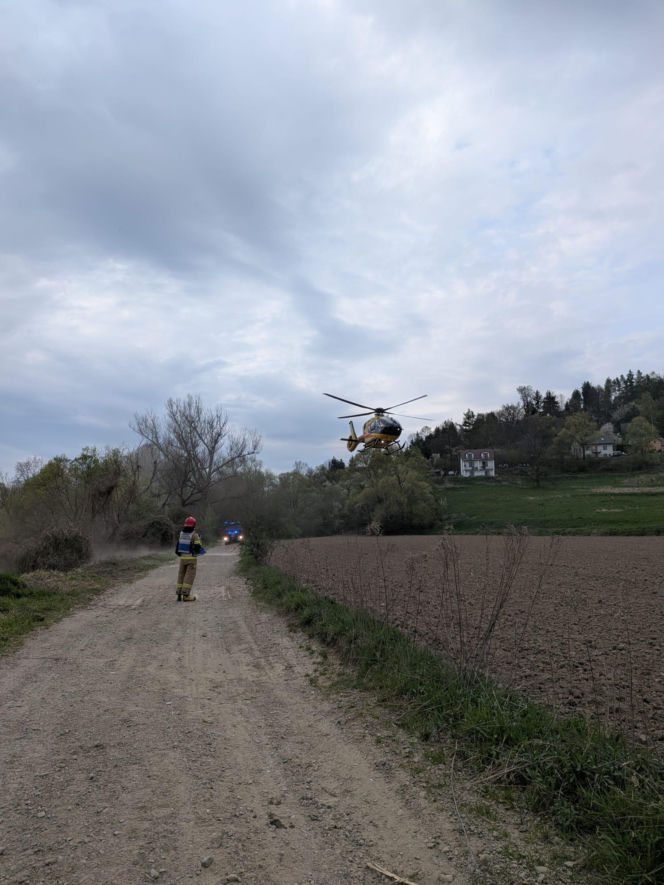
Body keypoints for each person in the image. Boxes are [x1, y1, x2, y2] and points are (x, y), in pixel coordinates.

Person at [174, 516, 205, 601]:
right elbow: (198, 547)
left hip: (182, 558)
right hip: (191, 558)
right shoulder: (194, 535)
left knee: (181, 575)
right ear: (194, 525)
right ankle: (186, 595)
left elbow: (177, 547)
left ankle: (179, 594)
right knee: (189, 575)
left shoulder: (181, 533)